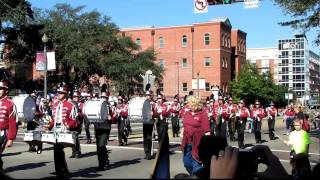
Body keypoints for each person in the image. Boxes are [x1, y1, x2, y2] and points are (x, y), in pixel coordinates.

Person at [45, 83, 78, 178]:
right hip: (56, 131)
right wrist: (49, 125)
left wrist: (68, 125)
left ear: (66, 94)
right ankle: (62, 170)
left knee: (58, 151)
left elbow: (75, 121)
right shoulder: (55, 105)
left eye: (61, 92)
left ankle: (60, 172)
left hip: (64, 131)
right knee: (57, 151)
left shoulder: (71, 106)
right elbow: (54, 120)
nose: (58, 94)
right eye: (58, 92)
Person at [180, 95, 211, 176]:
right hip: (187, 142)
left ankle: (196, 176)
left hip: (197, 143)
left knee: (196, 165)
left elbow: (207, 131)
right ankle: (194, 175)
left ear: (194, 103)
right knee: (186, 163)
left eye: (189, 102)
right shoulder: (187, 113)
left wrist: (207, 145)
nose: (187, 104)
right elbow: (185, 125)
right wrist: (182, 131)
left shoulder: (202, 114)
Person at [0, 79, 18, 172]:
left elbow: (13, 122)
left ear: (6, 90)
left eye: (0, 88)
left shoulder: (10, 104)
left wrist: (10, 138)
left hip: (3, 133)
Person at [93, 91, 114, 171]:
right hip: (98, 127)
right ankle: (102, 163)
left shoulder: (109, 106)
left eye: (105, 97)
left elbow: (114, 117)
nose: (103, 99)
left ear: (107, 98)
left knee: (101, 145)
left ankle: (103, 163)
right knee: (98, 147)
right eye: (102, 97)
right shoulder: (97, 105)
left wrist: (110, 117)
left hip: (105, 127)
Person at [69, 90, 84, 158]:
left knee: (76, 137)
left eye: (77, 97)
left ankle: (78, 152)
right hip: (72, 122)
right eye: (74, 97)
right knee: (72, 137)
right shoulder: (71, 103)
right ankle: (73, 152)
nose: (75, 98)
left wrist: (79, 114)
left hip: (78, 122)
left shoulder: (81, 104)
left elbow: (84, 114)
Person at [142, 90, 154, 160]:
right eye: (147, 95)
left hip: (149, 122)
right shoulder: (146, 102)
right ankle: (147, 153)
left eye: (149, 95)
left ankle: (148, 153)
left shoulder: (151, 102)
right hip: (146, 122)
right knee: (147, 138)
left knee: (148, 138)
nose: (148, 96)